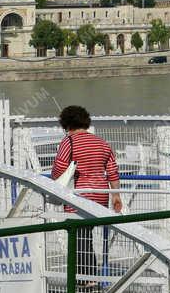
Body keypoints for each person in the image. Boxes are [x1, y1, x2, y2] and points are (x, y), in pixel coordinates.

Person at [51, 106, 122, 282]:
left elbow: (59, 169)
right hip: (100, 193)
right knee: (85, 234)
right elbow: (112, 171)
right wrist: (116, 195)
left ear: (66, 124)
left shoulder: (69, 142)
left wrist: (54, 179)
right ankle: (88, 275)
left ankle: (86, 278)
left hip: (78, 194)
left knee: (78, 237)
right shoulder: (102, 143)